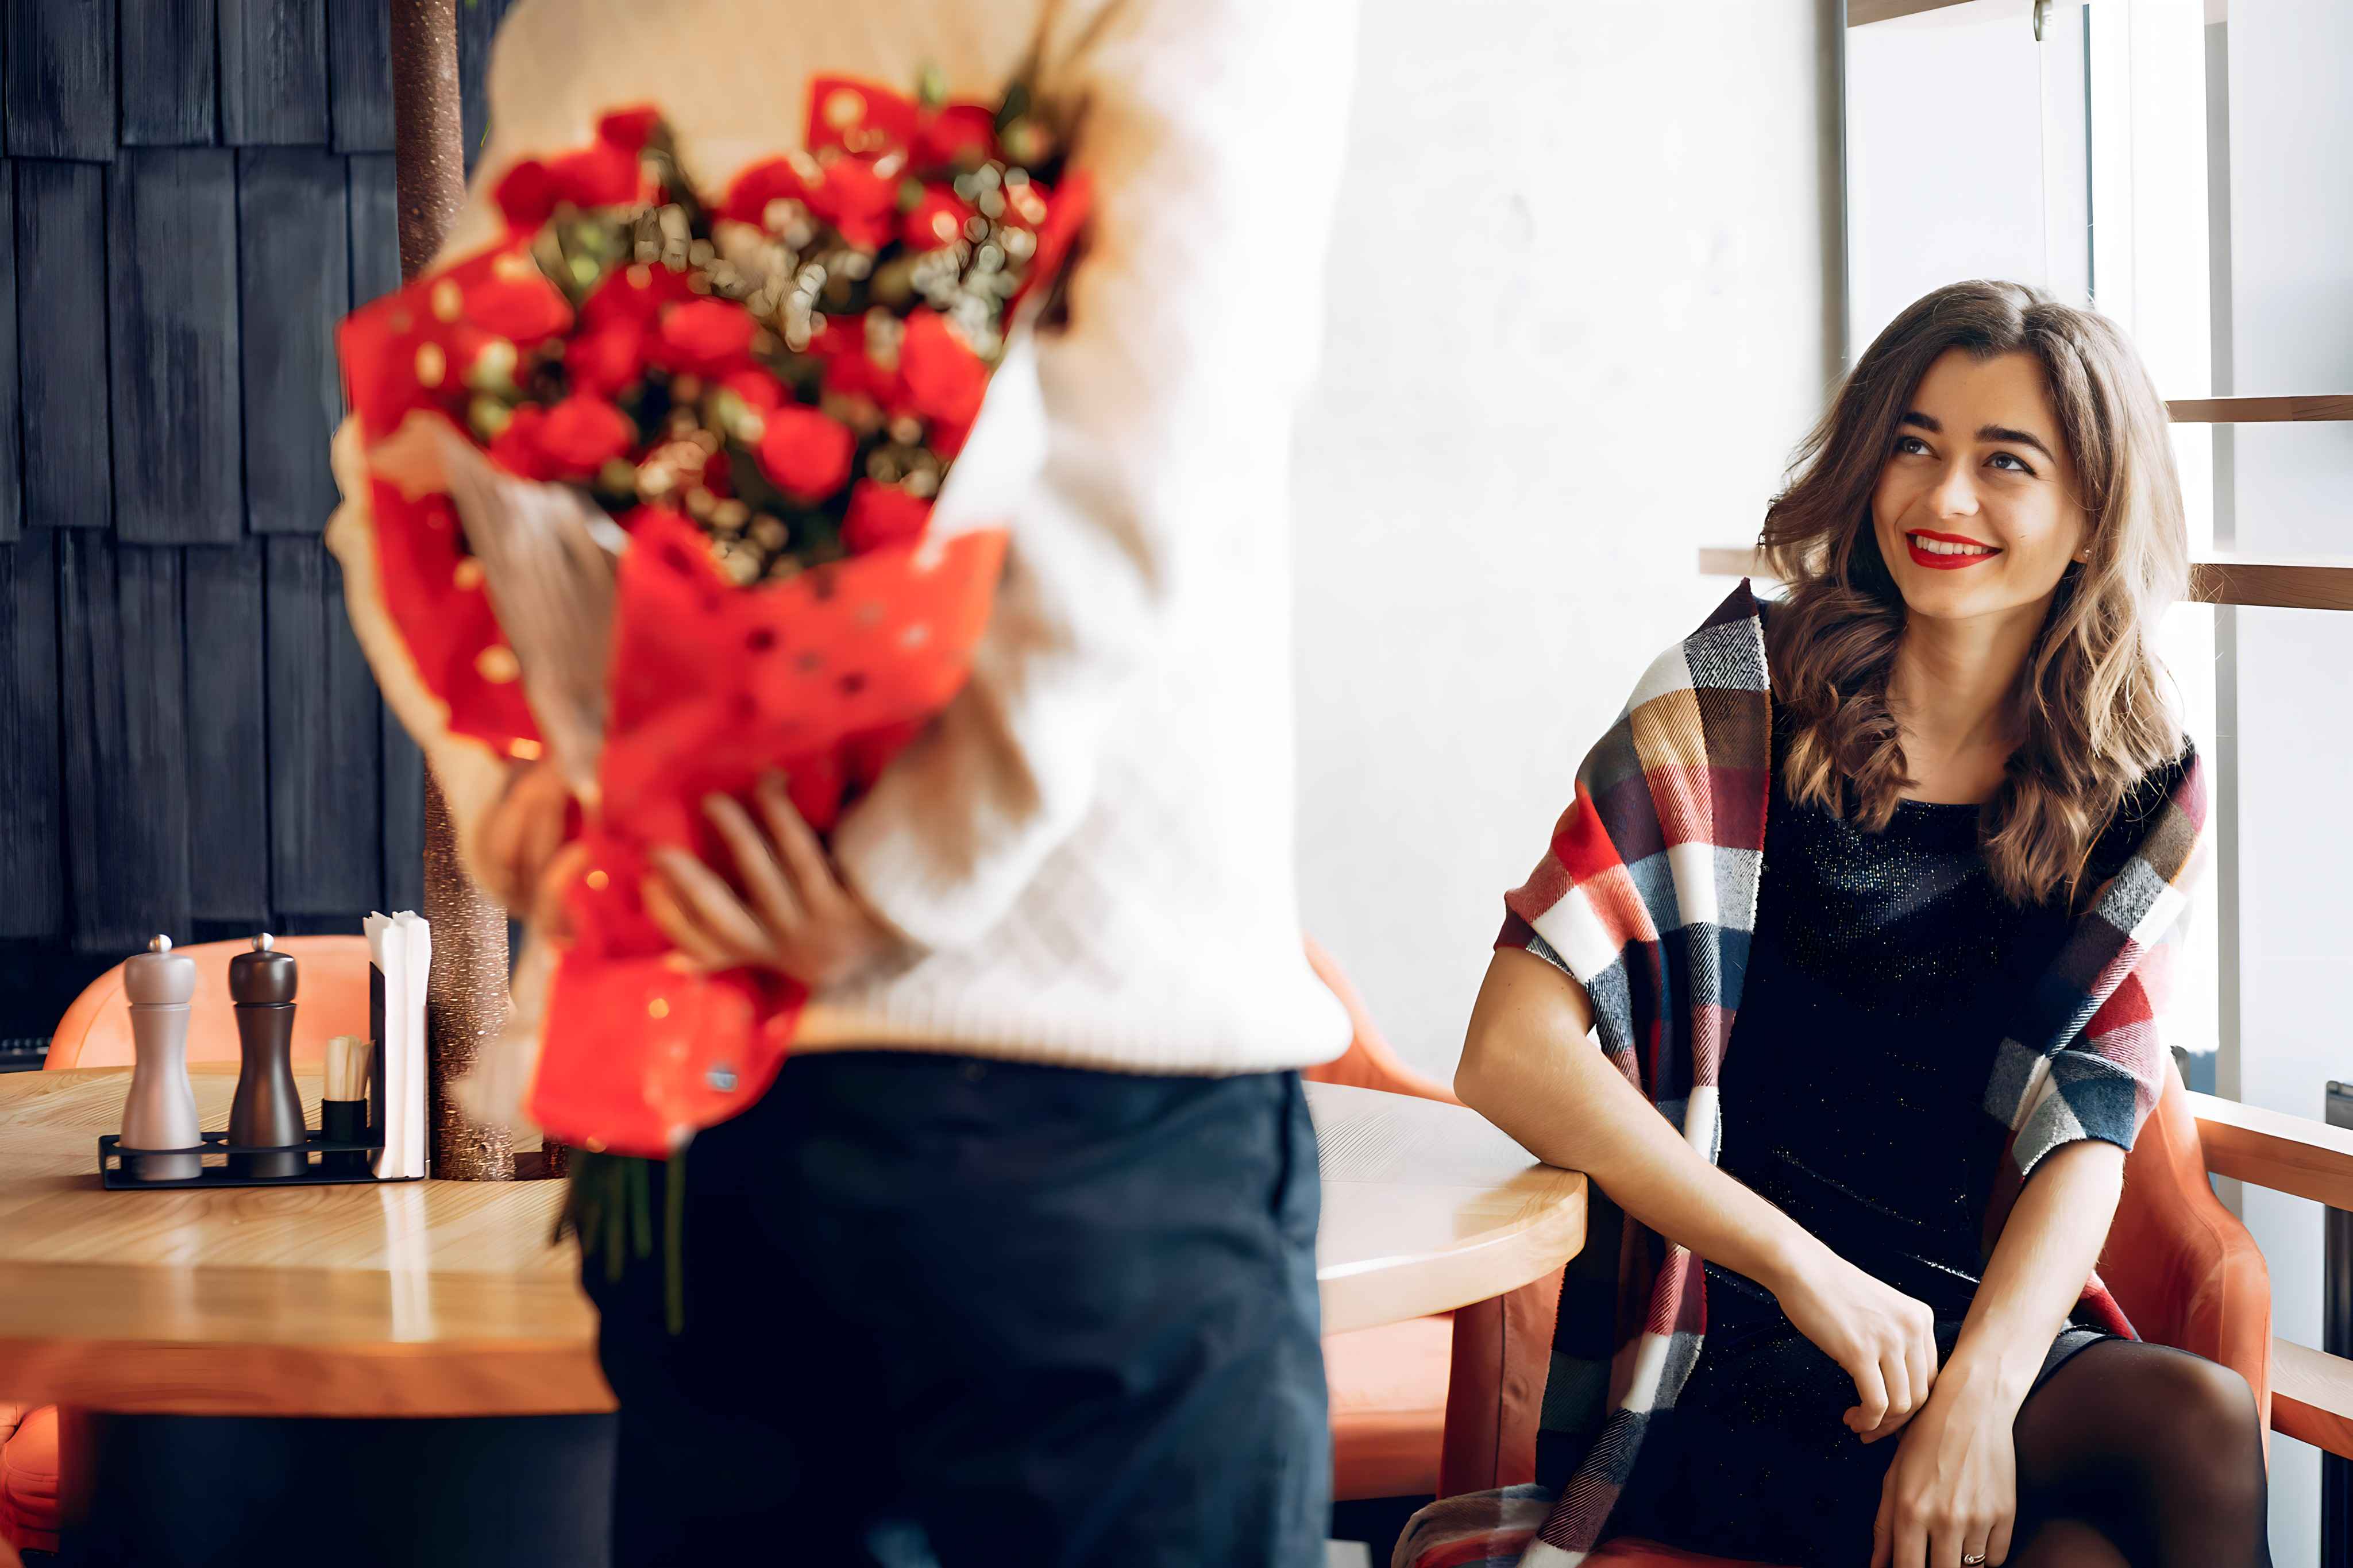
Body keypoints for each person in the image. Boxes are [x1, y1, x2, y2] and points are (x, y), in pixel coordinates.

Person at [453, 1, 1361, 1563]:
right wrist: (905, 868)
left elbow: (431, 442)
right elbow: (1160, 441)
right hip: (1070, 1089)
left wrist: (527, 797)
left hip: (683, 1063)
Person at [1456, 281, 2270, 1568]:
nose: (1941, 499)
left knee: (2152, 1464)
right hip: (1713, 1327)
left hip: (1953, 1322)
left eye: (2003, 463)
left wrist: (1980, 1399)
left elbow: (2089, 1123)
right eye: (1912, 444)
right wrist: (1797, 1269)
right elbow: (1506, 1050)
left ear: (2089, 516)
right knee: (2173, 1441)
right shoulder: (1734, 699)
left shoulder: (2136, 778)